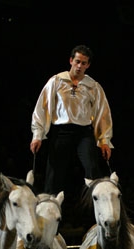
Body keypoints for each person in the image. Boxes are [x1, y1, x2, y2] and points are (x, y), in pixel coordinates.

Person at [30, 44, 113, 197]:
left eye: (83, 63)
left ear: (88, 65)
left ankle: (101, 204)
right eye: (77, 61)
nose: (79, 66)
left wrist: (104, 141)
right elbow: (42, 109)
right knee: (54, 172)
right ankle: (50, 204)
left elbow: (102, 114)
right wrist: (37, 135)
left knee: (92, 167)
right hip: (61, 131)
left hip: (84, 132)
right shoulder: (56, 81)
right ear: (71, 61)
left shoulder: (93, 87)